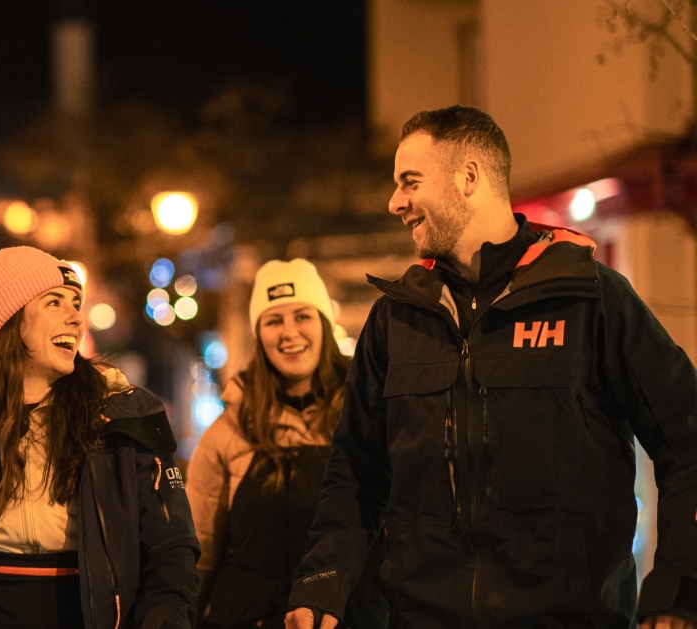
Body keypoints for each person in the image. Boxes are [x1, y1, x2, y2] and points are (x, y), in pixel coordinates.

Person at [284, 105, 697, 629]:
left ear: (469, 176)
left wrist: (678, 591)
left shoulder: (591, 298)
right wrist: (322, 582)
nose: (395, 203)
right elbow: (356, 470)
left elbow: (687, 440)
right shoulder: (397, 317)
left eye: (410, 182)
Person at [0, 246, 200, 629]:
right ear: (11, 318)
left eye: (77, 303)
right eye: (55, 302)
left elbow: (171, 552)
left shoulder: (123, 419)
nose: (76, 318)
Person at [188, 259, 383, 629]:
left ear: (324, 324)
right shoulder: (230, 428)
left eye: (302, 316)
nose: (289, 332)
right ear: (258, 334)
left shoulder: (369, 414)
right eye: (273, 320)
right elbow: (199, 551)